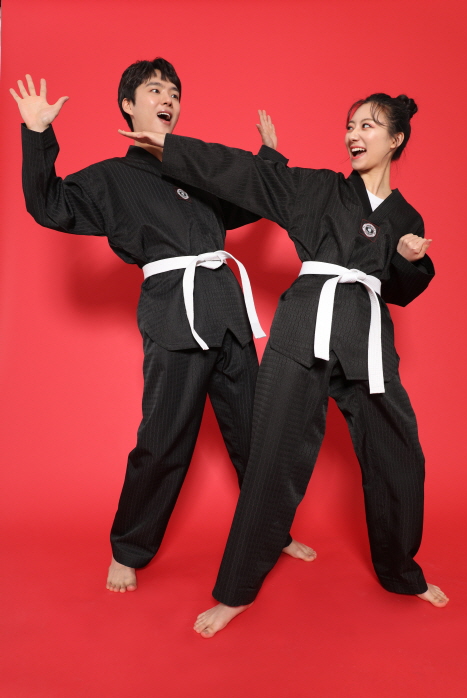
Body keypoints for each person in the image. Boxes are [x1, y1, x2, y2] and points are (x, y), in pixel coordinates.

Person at [118, 93, 449, 633]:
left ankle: (401, 573)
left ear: (396, 139)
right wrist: (172, 149)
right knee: (272, 457)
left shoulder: (405, 216)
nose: (354, 134)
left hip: (365, 338)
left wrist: (412, 262)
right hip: (303, 330)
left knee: (400, 456)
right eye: (350, 125)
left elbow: (398, 290)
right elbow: (245, 175)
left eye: (368, 126)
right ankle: (236, 590)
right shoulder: (317, 188)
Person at [10, 59, 316, 595]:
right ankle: (129, 548)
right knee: (164, 440)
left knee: (256, 434)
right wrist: (37, 134)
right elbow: (50, 205)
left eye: (174, 91)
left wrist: (268, 159)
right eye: (155, 89)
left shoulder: (195, 168)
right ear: (129, 105)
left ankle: (272, 530)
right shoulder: (112, 177)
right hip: (174, 317)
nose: (168, 97)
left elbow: (246, 204)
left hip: (228, 315)